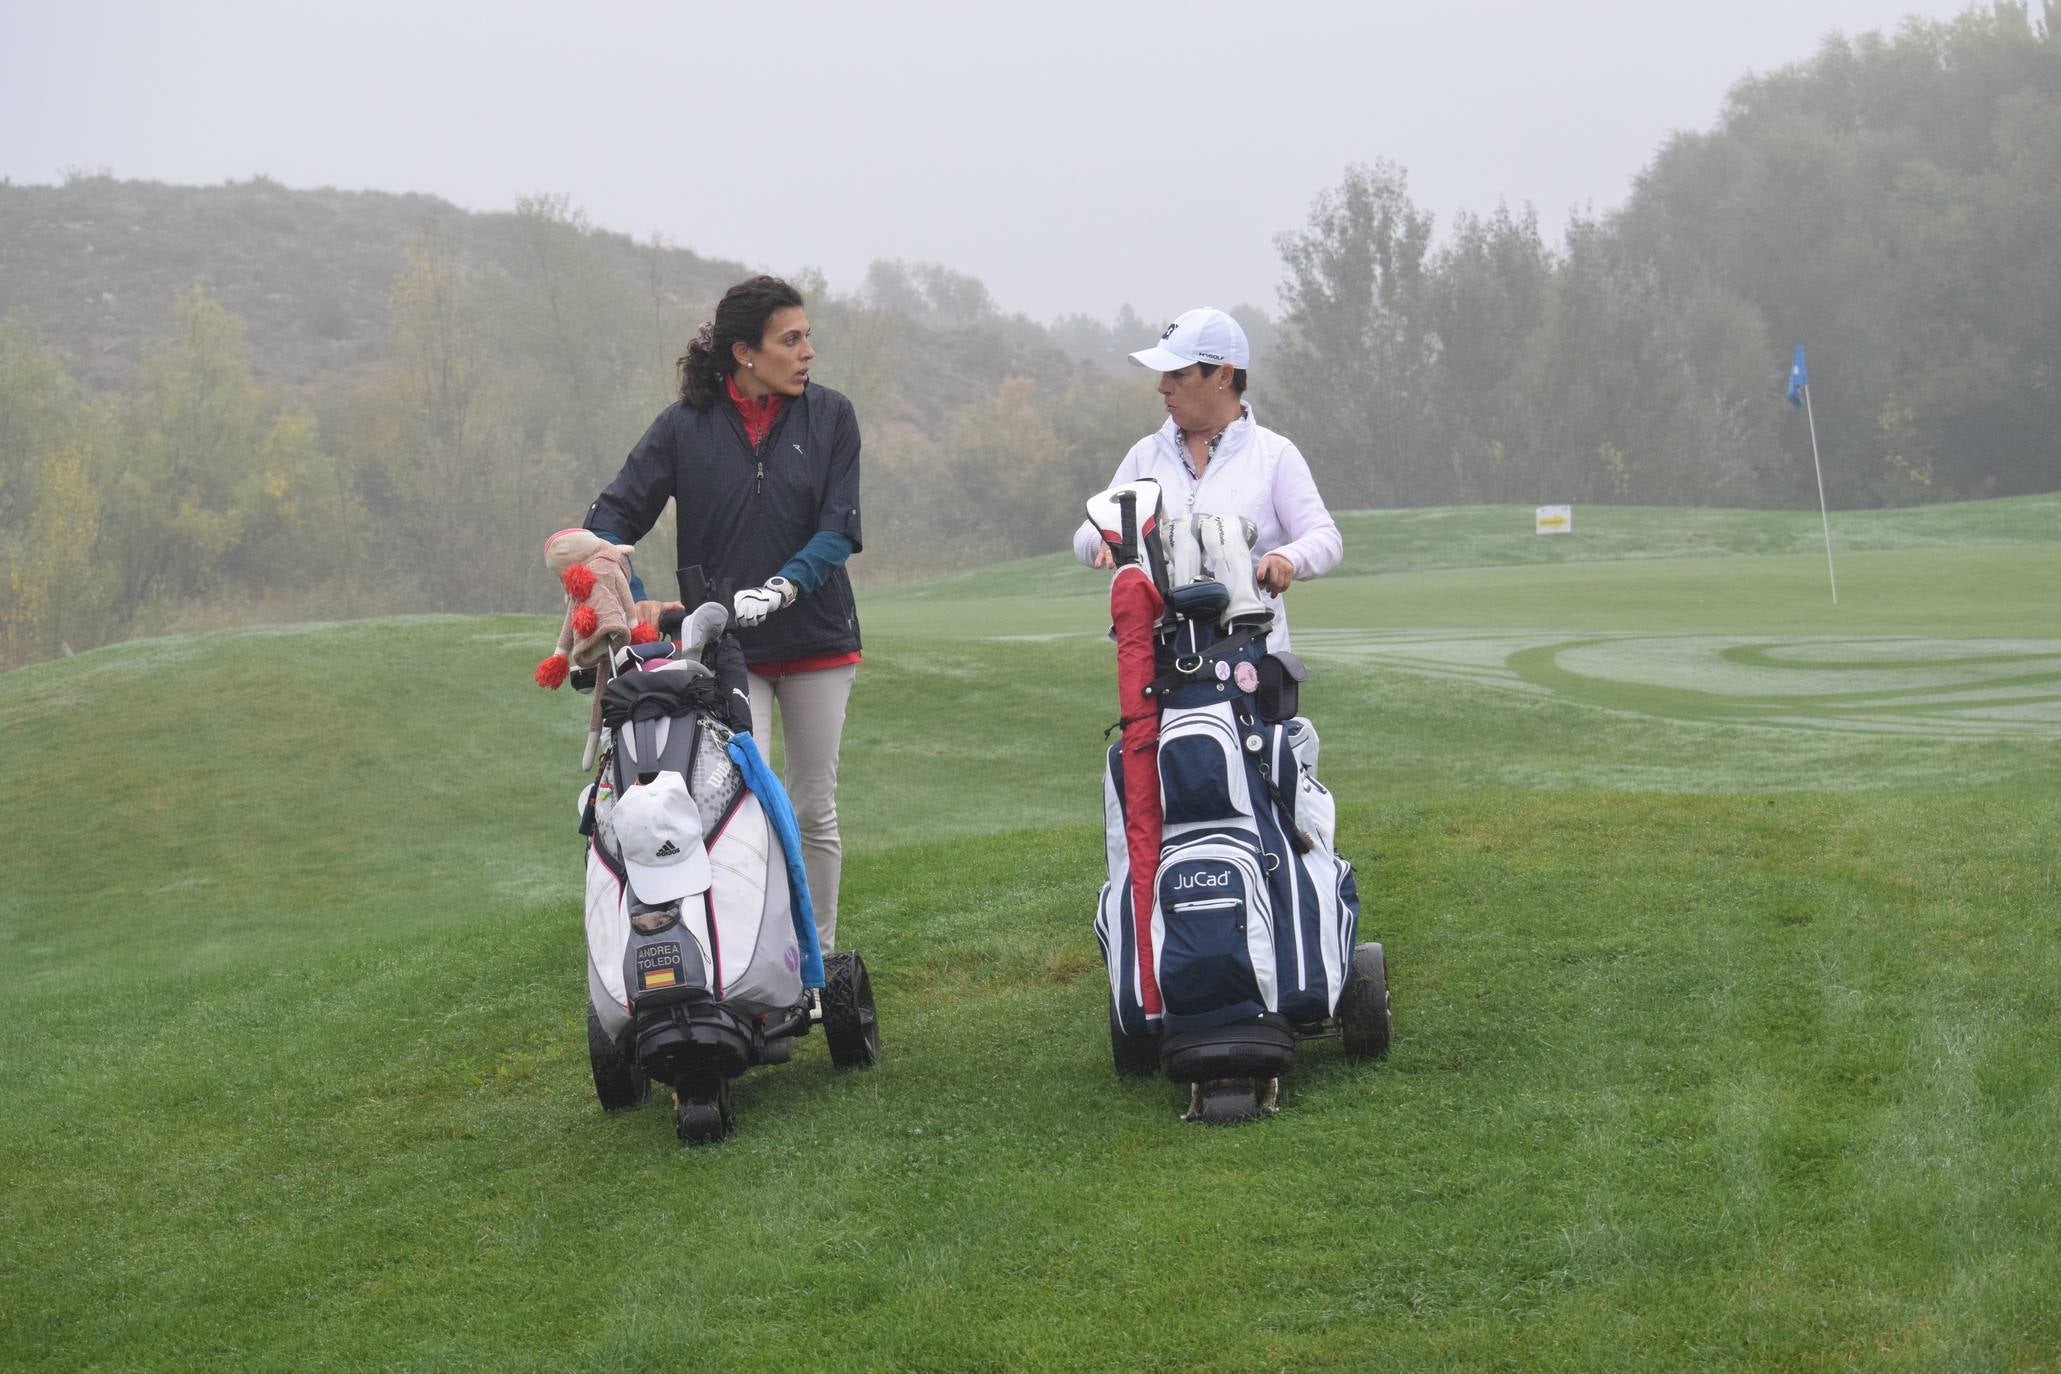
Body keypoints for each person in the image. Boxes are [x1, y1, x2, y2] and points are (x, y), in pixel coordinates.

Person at [584, 275, 863, 950]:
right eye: (789, 340)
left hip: (819, 641)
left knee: (810, 808)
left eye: (806, 337)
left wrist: (784, 587)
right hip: (726, 652)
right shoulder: (685, 427)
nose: (807, 352)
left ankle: (814, 958)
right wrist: (634, 594)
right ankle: (741, 952)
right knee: (740, 807)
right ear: (745, 352)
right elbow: (612, 516)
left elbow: (838, 527)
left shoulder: (831, 417)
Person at [1071, 307, 1341, 651]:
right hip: (1163, 667)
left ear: (1224, 376)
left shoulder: (1274, 454)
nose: (1162, 387)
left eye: (1179, 375)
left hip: (1254, 666)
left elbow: (1324, 537)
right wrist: (1110, 540)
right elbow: (1086, 533)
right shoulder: (1145, 454)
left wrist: (1288, 558)